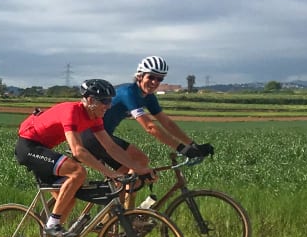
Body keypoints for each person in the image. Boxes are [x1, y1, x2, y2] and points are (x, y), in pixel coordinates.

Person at [15, 79, 153, 237]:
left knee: (68, 199)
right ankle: (53, 225)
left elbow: (111, 147)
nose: (109, 106)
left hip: (43, 150)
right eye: (105, 101)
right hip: (29, 148)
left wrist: (139, 168)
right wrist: (110, 173)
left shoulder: (95, 117)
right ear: (90, 100)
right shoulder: (71, 111)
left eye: (110, 101)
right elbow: (78, 151)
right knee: (78, 172)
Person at [79, 56, 214, 176]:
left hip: (102, 136)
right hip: (91, 135)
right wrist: (182, 149)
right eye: (151, 77)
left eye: (159, 79)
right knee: (140, 160)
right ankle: (121, 200)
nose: (155, 82)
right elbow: (150, 127)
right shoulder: (129, 93)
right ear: (139, 76)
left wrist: (193, 145)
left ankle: (120, 204)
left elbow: (167, 123)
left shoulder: (149, 97)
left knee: (130, 176)